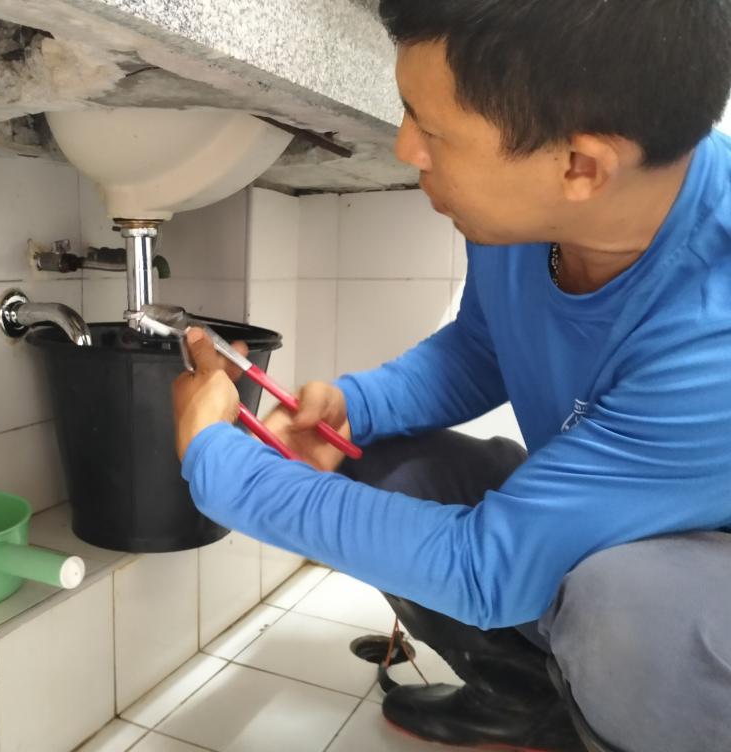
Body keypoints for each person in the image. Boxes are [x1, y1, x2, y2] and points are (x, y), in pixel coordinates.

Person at [170, 2, 731, 751]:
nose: (406, 148)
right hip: (603, 512)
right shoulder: (530, 214)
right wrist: (358, 406)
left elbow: (486, 569)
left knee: (628, 603)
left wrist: (216, 460)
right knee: (381, 462)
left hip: (702, 583)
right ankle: (530, 704)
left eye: (432, 131)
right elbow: (483, 346)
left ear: (580, 166)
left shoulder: (717, 326)